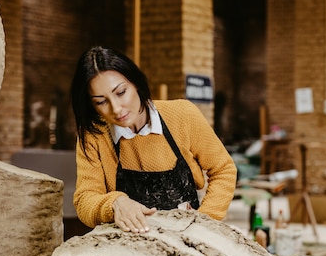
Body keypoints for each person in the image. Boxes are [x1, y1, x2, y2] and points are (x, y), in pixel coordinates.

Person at [70, 46, 237, 233]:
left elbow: (224, 170)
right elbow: (84, 199)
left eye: (121, 92)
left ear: (136, 83)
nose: (116, 109)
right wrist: (115, 203)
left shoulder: (183, 115)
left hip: (189, 234)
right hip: (129, 242)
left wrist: (204, 223)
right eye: (101, 102)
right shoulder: (94, 135)